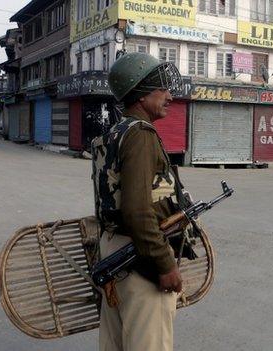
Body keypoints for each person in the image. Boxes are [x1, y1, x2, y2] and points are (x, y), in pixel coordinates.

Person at [91, 52, 185, 351]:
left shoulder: (114, 132)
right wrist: (164, 262)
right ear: (142, 96)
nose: (170, 96)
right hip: (138, 255)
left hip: (113, 251)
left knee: (116, 343)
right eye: (162, 90)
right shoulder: (140, 134)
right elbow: (137, 209)